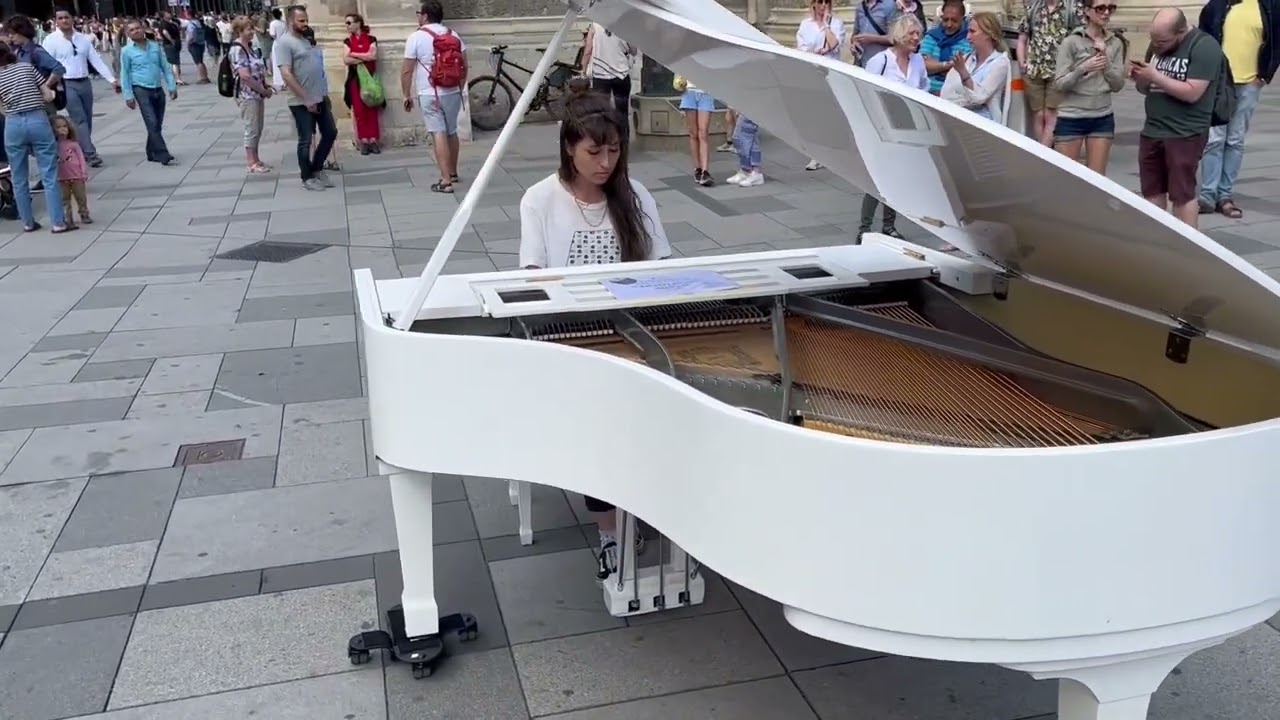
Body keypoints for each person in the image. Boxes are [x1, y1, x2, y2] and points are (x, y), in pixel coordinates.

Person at [518, 80, 672, 577]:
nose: (605, 162)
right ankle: (610, 530)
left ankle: (650, 506)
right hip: (569, 336)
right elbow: (534, 278)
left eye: (613, 151)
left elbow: (659, 268)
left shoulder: (635, 195)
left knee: (666, 409)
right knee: (597, 418)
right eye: (594, 151)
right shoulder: (539, 200)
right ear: (569, 148)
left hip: (635, 329)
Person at [1132, 8, 1223, 229]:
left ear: (1181, 31)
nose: (1156, 45)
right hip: (1153, 129)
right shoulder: (1158, 43)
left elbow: (1192, 93)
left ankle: (1188, 245)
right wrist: (1141, 78)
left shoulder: (1205, 46)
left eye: (1162, 41)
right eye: (1153, 40)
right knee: (1151, 191)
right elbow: (1145, 88)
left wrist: (1155, 76)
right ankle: (1156, 242)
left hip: (1185, 132)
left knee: (1182, 193)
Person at [1196, 0, 1280, 218]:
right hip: (1220, 82)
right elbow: (1203, 38)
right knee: (1215, 139)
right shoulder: (1217, 5)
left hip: (1250, 82)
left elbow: (1276, 40)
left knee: (1235, 139)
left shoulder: (1271, 5)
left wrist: (1264, 74)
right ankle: (1207, 195)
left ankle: (1224, 195)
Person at [858, 14, 928, 242]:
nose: (917, 38)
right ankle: (864, 228)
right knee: (876, 181)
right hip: (882, 128)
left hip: (908, 129)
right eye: (912, 33)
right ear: (899, 35)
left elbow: (924, 88)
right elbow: (863, 90)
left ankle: (889, 226)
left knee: (898, 180)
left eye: (918, 33)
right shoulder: (881, 61)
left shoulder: (918, 61)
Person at [0, 40, 68, 232]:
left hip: (13, 124)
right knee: (48, 171)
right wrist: (50, 97)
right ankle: (58, 222)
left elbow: (1, 107)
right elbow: (47, 96)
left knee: (19, 176)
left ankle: (28, 222)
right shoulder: (27, 68)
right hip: (37, 119)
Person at [1052, 0, 1127, 174]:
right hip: (1071, 117)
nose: (1106, 12)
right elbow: (1060, 83)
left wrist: (1105, 60)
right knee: (1068, 178)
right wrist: (1083, 68)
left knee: (1097, 180)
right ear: (1086, 10)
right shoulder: (1071, 42)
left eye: (1111, 8)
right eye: (1100, 8)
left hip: (1102, 116)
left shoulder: (1115, 43)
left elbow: (1118, 85)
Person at [403, 0, 467, 194]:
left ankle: (445, 180)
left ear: (424, 15)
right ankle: (453, 172)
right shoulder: (452, 34)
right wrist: (459, 88)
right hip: (452, 91)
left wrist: (406, 94)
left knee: (437, 132)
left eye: (418, 13)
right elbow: (464, 64)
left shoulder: (416, 37)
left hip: (429, 92)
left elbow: (407, 70)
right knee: (451, 131)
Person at [42, 7, 119, 169]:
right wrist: (47, 85)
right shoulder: (51, 40)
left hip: (84, 81)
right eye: (60, 18)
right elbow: (46, 63)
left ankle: (81, 147)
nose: (64, 20)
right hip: (66, 83)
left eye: (67, 17)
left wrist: (112, 79)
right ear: (56, 21)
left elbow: (95, 60)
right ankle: (91, 153)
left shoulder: (82, 39)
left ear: (72, 19)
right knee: (79, 118)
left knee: (87, 118)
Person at [278, 7, 338, 192]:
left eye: (306, 20)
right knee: (305, 139)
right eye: (301, 21)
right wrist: (306, 98)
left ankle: (317, 168)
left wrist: (322, 93)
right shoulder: (284, 43)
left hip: (318, 96)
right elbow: (286, 74)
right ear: (290, 21)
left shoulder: (305, 40)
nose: (305, 24)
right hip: (301, 101)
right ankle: (307, 177)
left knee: (330, 132)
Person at [1017, 0, 1084, 146]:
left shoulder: (1072, 8)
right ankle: (1045, 151)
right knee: (1038, 114)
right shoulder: (1033, 8)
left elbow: (1081, 39)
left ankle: (1042, 155)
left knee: (1050, 114)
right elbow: (1022, 38)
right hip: (1034, 71)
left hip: (1059, 71)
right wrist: (1022, 63)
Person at [120, 20, 177, 166]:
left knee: (157, 122)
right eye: (132, 30)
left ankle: (151, 151)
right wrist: (128, 95)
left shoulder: (155, 46)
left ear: (143, 28)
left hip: (157, 87)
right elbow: (124, 73)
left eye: (138, 28)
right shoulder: (127, 51)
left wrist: (172, 86)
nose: (136, 31)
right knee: (151, 121)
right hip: (140, 88)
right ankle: (162, 153)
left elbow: (165, 67)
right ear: (128, 34)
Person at [798, 0, 845, 171]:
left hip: (831, 74)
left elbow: (834, 44)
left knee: (829, 114)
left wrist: (825, 25)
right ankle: (816, 155)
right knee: (814, 114)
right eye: (820, 2)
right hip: (812, 73)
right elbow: (801, 49)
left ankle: (831, 152)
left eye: (826, 2)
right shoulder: (805, 25)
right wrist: (813, 53)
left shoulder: (837, 23)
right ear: (813, 4)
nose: (823, 5)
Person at [941, 11, 1011, 123]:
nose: (968, 37)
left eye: (972, 32)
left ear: (988, 34)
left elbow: (979, 97)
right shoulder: (966, 59)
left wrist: (963, 72)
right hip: (958, 118)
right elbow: (947, 93)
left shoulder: (1000, 63)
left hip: (985, 123)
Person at [228, 16, 273, 174]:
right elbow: (245, 76)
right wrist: (262, 90)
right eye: (249, 29)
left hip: (257, 94)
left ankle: (256, 158)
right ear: (240, 31)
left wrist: (264, 85)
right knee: (251, 127)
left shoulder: (250, 46)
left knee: (258, 127)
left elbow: (256, 70)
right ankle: (251, 162)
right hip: (247, 95)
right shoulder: (237, 49)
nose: (252, 32)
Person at [581, 22, 636, 139]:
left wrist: (583, 69)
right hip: (621, 74)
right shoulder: (625, 25)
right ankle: (623, 142)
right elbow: (633, 50)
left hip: (601, 75)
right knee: (622, 111)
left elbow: (588, 50)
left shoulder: (595, 26)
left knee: (601, 111)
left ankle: (603, 139)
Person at [342, 13, 382, 155]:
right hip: (355, 79)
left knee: (372, 108)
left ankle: (373, 140)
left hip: (370, 78)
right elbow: (346, 60)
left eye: (349, 23)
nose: (347, 26)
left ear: (358, 23)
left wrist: (354, 54)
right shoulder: (347, 41)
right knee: (359, 110)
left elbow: (373, 55)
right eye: (346, 23)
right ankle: (363, 140)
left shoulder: (371, 39)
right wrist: (364, 57)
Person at [921, 0, 970, 95]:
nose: (949, 24)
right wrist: (948, 65)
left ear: (962, 20)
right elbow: (922, 66)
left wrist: (934, 66)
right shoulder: (931, 37)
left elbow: (965, 71)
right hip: (927, 92)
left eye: (954, 20)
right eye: (946, 19)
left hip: (954, 96)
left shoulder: (968, 40)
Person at [53, 115, 89, 226]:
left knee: (81, 197)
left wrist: (83, 171)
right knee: (65, 199)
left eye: (65, 126)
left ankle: (84, 214)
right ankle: (68, 218)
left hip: (76, 175)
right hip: (62, 177)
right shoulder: (53, 146)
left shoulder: (73, 144)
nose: (63, 129)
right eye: (58, 127)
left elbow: (81, 158)